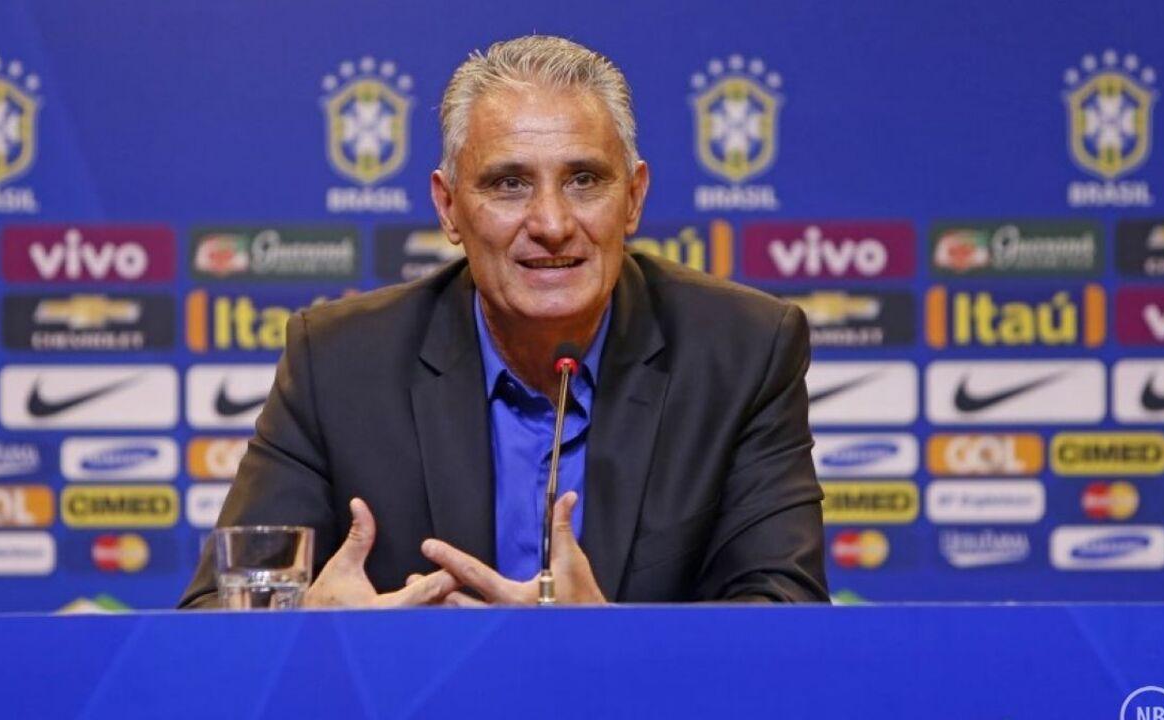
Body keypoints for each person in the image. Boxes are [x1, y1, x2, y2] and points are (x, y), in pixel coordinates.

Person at [179, 35, 827, 608]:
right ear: (448, 207)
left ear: (633, 198)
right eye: (509, 184)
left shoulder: (743, 352)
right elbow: (215, 611)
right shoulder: (339, 364)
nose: (551, 223)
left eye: (584, 179)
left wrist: (607, 642)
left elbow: (788, 614)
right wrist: (313, 632)